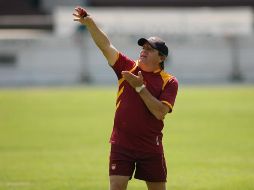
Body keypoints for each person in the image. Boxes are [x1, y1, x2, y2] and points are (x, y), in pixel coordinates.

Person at [73, 7, 178, 190]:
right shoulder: (127, 67)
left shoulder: (169, 82)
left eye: (149, 49)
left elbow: (160, 112)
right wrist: (90, 24)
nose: (143, 51)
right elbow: (106, 46)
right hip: (122, 143)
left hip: (150, 145)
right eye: (143, 47)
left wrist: (139, 87)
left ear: (161, 57)